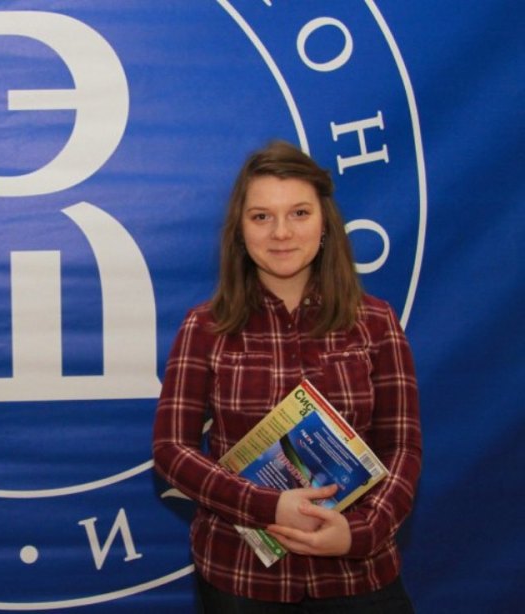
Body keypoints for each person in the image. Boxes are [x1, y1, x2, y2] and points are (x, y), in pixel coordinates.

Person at [153, 141, 421, 613]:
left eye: (299, 213)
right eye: (261, 216)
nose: (281, 232)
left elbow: (402, 448)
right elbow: (171, 451)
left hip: (358, 573)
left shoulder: (376, 323)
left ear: (324, 223)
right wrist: (268, 506)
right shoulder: (205, 327)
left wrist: (360, 533)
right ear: (240, 230)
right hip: (242, 579)